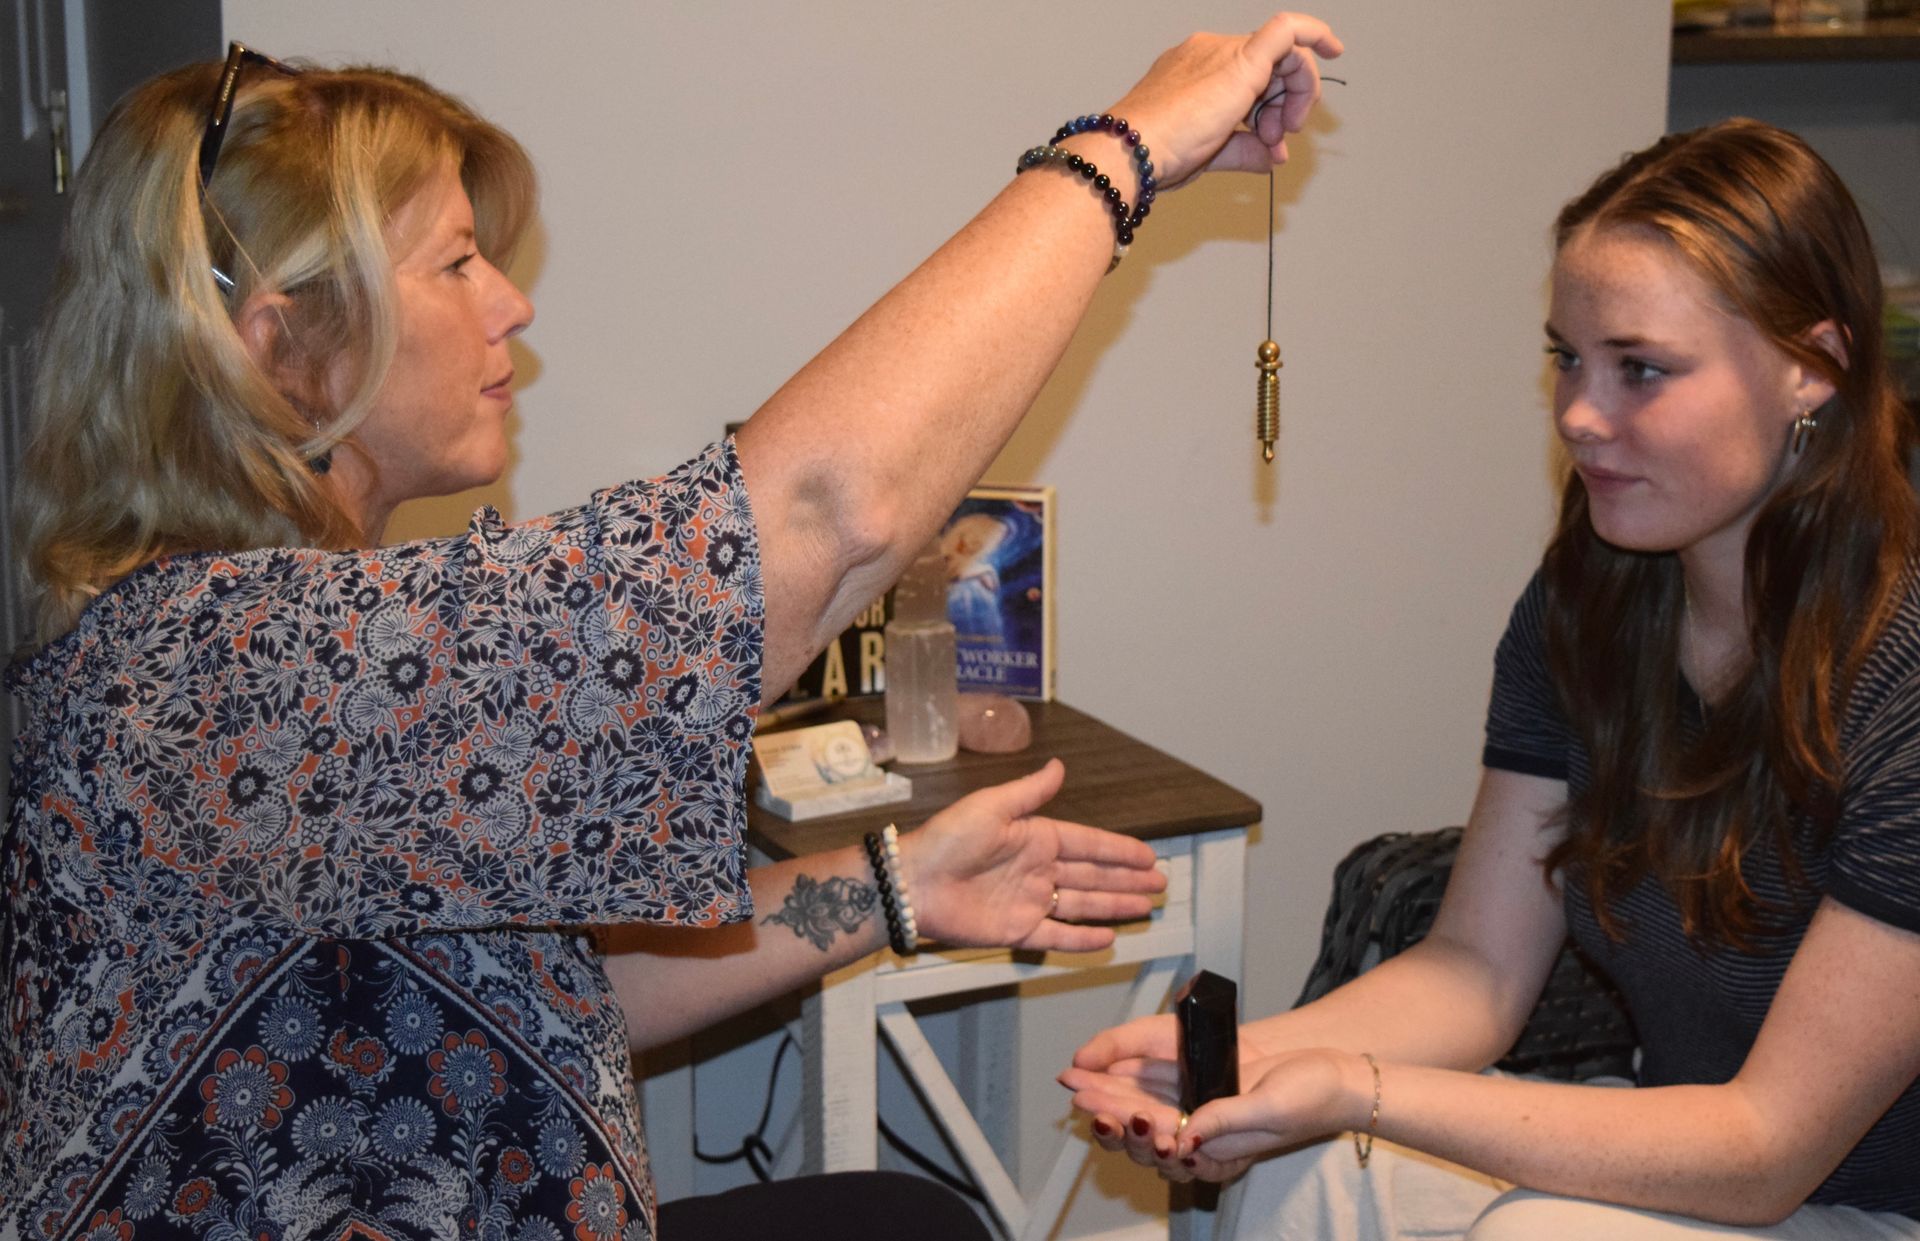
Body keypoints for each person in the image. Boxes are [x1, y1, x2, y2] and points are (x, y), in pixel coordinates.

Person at [0, 14, 1343, 1241]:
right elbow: (821, 512)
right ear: (284, 348)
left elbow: (555, 991)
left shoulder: (281, 657)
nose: (512, 305)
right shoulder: (218, 674)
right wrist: (1119, 155)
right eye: (458, 261)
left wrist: (890, 886)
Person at [1061, 119, 1920, 1240]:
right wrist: (1261, 1061)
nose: (1577, 413)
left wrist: (1356, 1086)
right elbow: (1475, 968)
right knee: (1288, 1169)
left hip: (1863, 1205)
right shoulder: (1593, 598)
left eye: (1640, 369)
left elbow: (1763, 1151)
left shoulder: (1899, 674)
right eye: (1567, 356)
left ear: (1812, 364)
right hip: (1698, 1158)